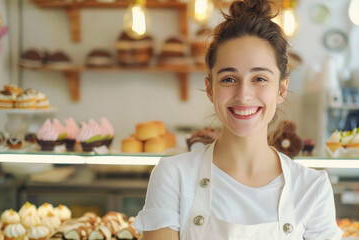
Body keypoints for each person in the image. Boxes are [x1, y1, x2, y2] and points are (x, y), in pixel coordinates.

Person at [133, 0, 343, 239]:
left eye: (260, 79)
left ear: (282, 89)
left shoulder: (311, 188)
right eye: (229, 79)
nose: (243, 95)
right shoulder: (174, 176)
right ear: (210, 88)